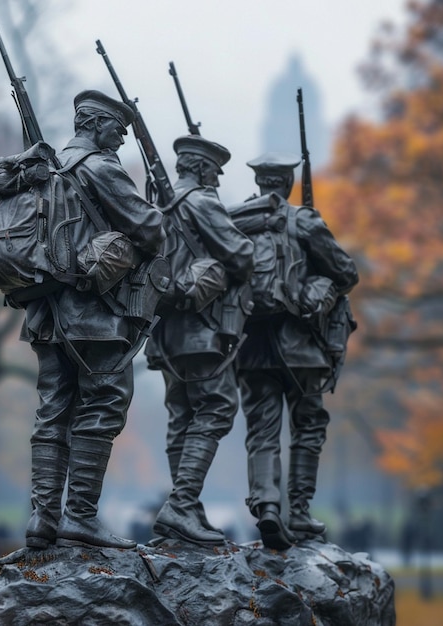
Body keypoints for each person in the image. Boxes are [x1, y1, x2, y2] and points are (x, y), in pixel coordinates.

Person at [20, 90, 165, 550]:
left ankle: (43, 520)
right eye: (117, 130)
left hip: (44, 315)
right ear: (95, 124)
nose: (121, 140)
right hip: (94, 318)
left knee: (52, 410)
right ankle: (79, 516)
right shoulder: (100, 167)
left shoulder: (44, 166)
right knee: (103, 406)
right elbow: (151, 230)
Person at [234, 152, 359, 550]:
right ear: (286, 184)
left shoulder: (236, 223)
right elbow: (346, 272)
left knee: (261, 431)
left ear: (259, 184)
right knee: (308, 426)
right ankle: (300, 513)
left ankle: (268, 506)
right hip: (301, 346)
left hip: (251, 347)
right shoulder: (303, 220)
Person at [146, 135, 254, 545]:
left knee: (181, 414)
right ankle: (182, 502)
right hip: (202, 329)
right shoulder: (203, 202)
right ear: (202, 169)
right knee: (217, 407)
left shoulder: (156, 206)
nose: (218, 178)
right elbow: (241, 256)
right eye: (215, 170)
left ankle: (185, 509)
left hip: (164, 333)